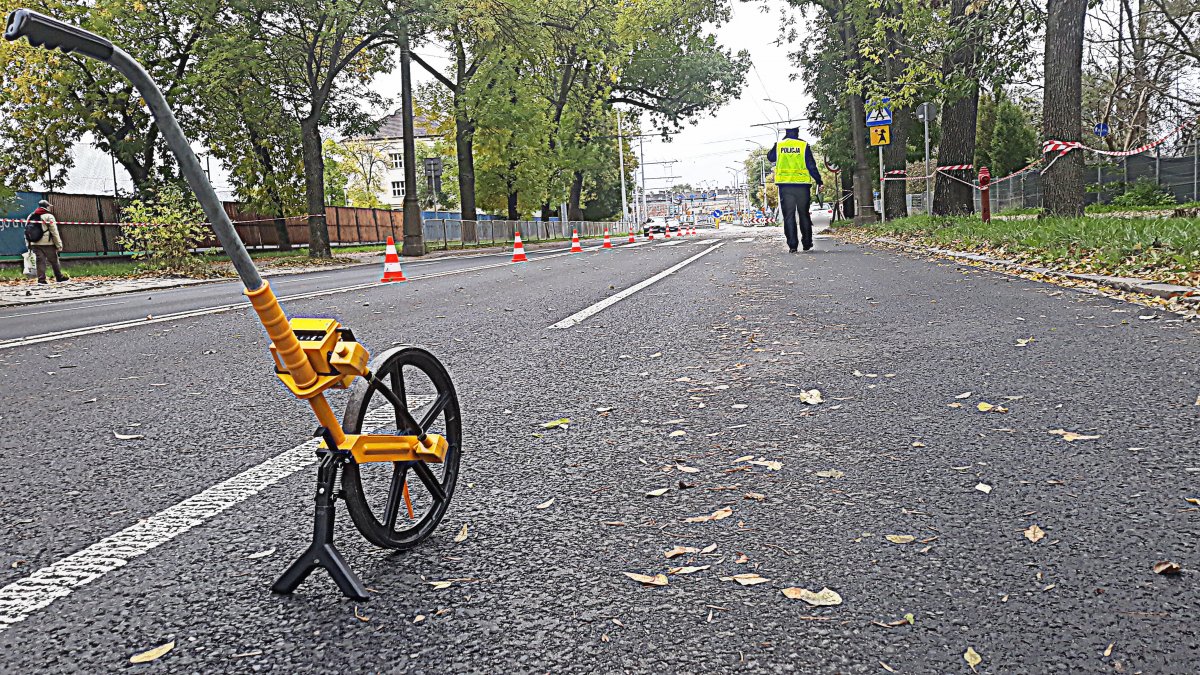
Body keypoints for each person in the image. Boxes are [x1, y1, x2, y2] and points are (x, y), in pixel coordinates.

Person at [767, 128, 823, 253]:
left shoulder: (780, 145)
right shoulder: (803, 145)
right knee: (804, 214)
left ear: (786, 133)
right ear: (797, 133)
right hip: (802, 186)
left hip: (785, 186)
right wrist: (819, 181)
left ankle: (792, 245)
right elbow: (811, 165)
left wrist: (776, 145)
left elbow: (770, 158)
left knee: (789, 216)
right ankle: (807, 244)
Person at [26, 199, 68, 284]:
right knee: (54, 260)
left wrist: (28, 243)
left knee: (40, 261)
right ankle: (59, 277)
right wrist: (59, 244)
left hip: (34, 243)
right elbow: (54, 231)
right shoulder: (49, 216)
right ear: (47, 206)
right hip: (47, 243)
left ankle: (41, 280)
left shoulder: (31, 215)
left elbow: (26, 231)